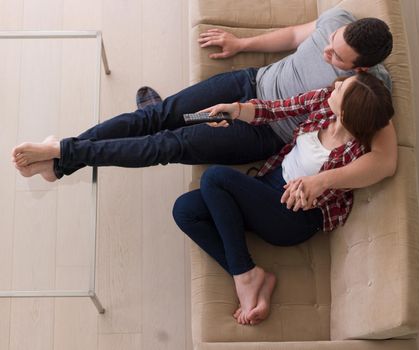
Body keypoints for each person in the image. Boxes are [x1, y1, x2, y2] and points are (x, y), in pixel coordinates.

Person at [11, 8, 397, 208]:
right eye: (330, 42)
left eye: (337, 58)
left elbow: (385, 161)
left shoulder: (370, 88)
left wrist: (323, 181)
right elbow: (299, 34)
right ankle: (60, 164)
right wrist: (241, 43)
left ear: (360, 68)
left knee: (168, 144)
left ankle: (63, 151)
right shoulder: (339, 21)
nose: (326, 51)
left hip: (263, 130)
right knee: (155, 117)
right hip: (249, 84)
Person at [172, 72, 395, 327]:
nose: (336, 83)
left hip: (294, 217)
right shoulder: (324, 102)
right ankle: (254, 274)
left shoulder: (357, 153)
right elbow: (276, 109)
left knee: (215, 178)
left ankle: (243, 277)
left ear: (348, 113)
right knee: (185, 211)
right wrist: (235, 110)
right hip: (268, 185)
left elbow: (380, 166)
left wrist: (318, 184)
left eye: (342, 88)